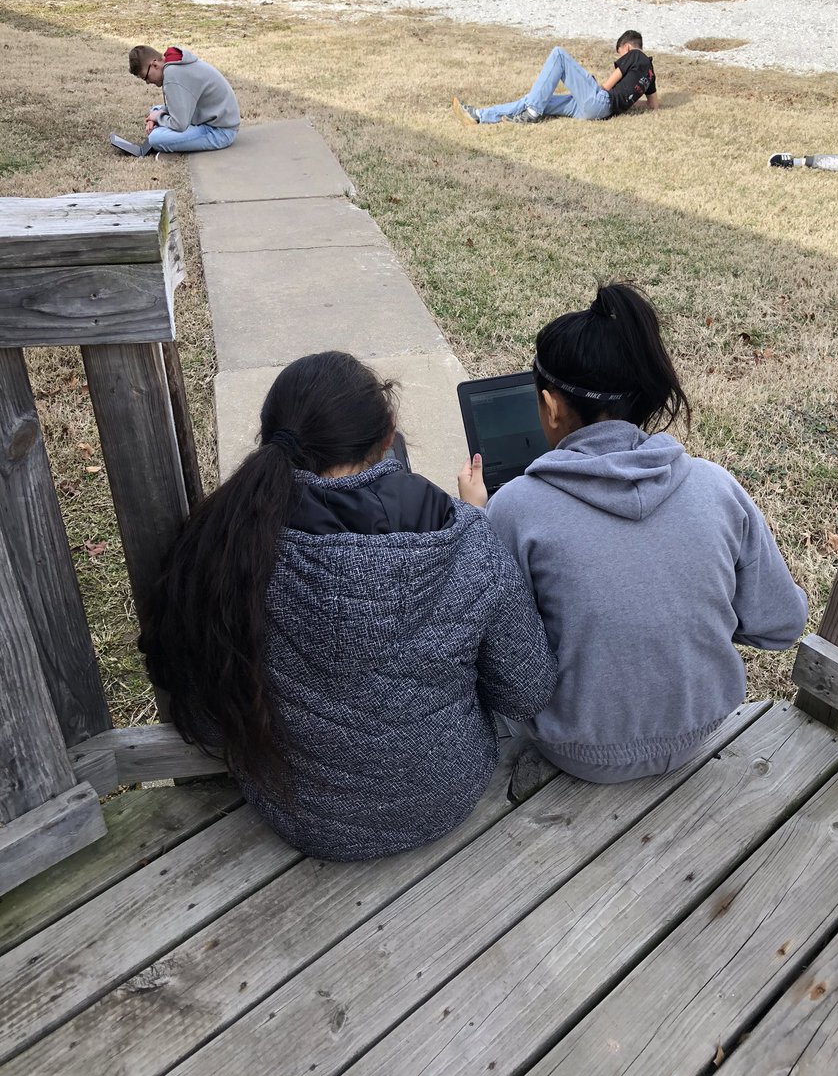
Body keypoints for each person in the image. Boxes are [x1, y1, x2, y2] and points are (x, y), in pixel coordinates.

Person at [142, 351, 557, 862]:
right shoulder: (469, 540)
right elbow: (527, 690)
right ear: (389, 438)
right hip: (448, 795)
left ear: (270, 438)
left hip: (294, 809)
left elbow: (207, 719)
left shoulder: (230, 547)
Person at [457, 284, 808, 784]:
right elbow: (783, 625)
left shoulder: (515, 507)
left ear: (550, 407)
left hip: (575, 748)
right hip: (700, 729)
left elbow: (496, 653)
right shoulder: (716, 486)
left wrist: (476, 523)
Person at [452, 31, 658, 126]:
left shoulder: (634, 55)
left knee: (558, 54)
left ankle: (533, 112)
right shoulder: (650, 73)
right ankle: (480, 116)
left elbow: (607, 86)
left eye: (620, 53)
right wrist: (627, 101)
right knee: (537, 98)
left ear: (627, 47)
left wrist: (593, 85)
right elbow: (653, 105)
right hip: (601, 113)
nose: (620, 57)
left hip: (600, 102)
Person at [120, 44, 240, 154]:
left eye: (146, 77)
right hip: (209, 117)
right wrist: (155, 116)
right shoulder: (174, 63)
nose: (147, 82)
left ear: (155, 65)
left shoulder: (172, 74)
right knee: (155, 109)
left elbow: (179, 124)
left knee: (155, 138)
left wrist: (157, 118)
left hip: (220, 131)